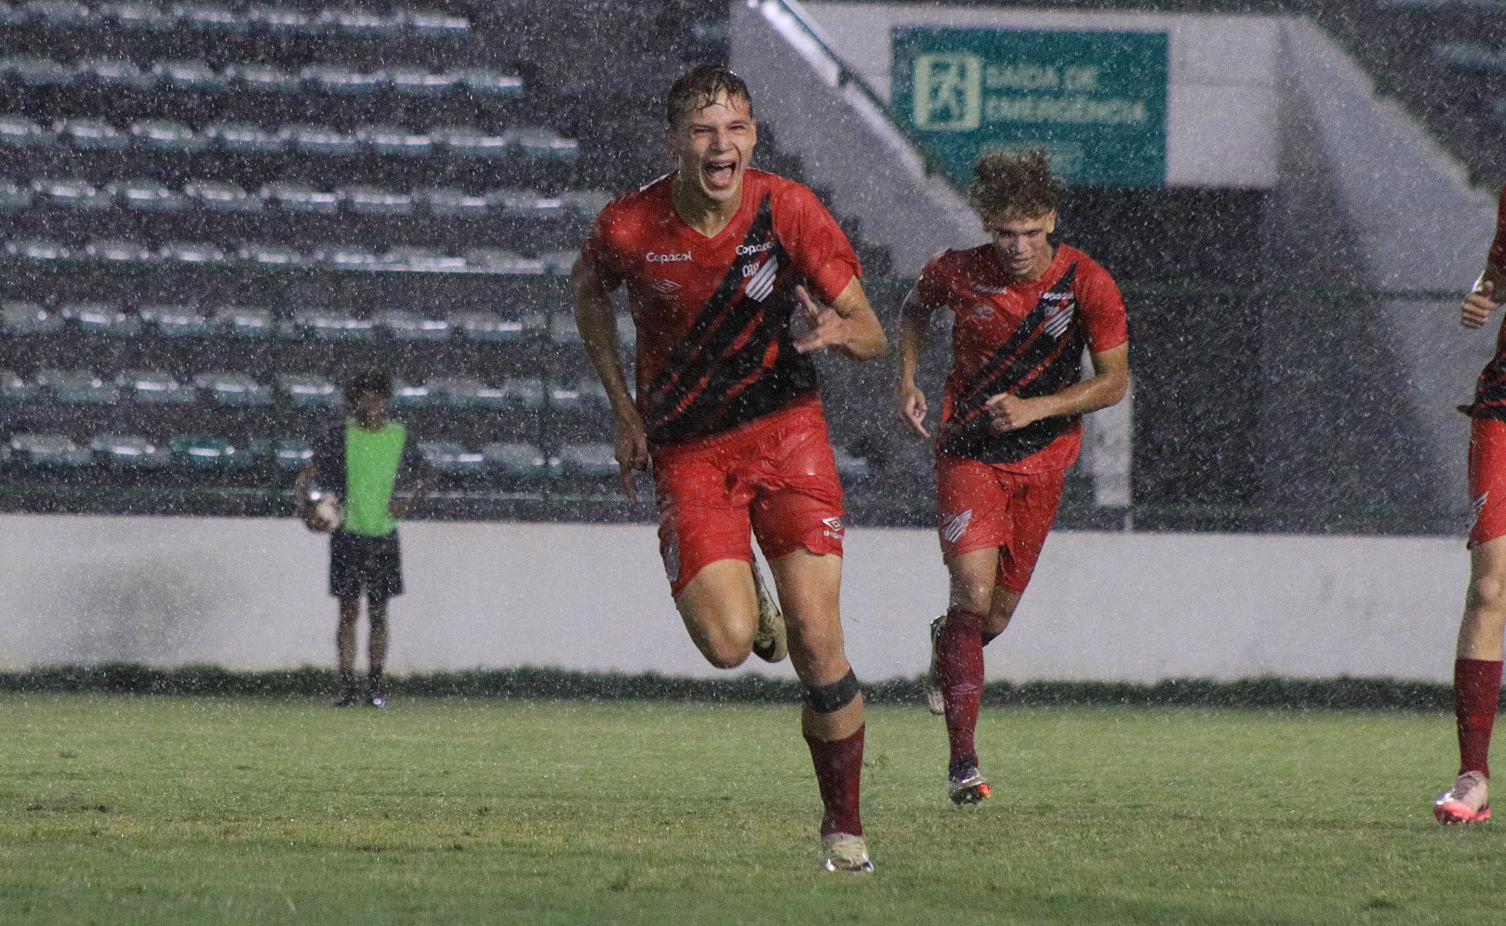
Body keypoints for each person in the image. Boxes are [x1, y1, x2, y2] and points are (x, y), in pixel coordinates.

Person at [572, 64, 888, 871]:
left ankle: (843, 830)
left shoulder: (789, 210)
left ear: (753, 137)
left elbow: (872, 332)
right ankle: (741, 584)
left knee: (819, 641)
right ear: (675, 141)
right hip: (689, 450)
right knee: (726, 643)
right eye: (706, 131)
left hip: (787, 435)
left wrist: (834, 333)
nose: (724, 145)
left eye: (737, 128)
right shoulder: (629, 227)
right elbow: (586, 294)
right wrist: (622, 408)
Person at [896, 149, 1129, 805]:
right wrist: (908, 379)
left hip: (1044, 461)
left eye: (1031, 231)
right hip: (968, 450)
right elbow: (915, 309)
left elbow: (1114, 382)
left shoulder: (1087, 282)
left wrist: (1037, 407)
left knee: (990, 618)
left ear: (1051, 219)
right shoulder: (956, 271)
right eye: (1005, 233)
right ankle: (964, 766)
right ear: (987, 224)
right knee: (972, 589)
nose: (1019, 246)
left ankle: (950, 644)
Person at [295, 368, 433, 709]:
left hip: (383, 535)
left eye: (376, 395)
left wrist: (409, 502)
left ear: (384, 398)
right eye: (363, 396)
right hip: (348, 536)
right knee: (348, 613)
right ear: (354, 401)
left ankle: (374, 686)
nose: (370, 402)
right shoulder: (338, 436)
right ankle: (347, 688)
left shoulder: (399, 436)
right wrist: (308, 511)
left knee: (379, 614)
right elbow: (304, 480)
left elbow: (427, 475)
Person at [1434, 185, 1506, 823]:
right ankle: (1473, 777)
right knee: (1489, 590)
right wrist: (1484, 293)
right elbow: (1500, 272)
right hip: (1505, 406)